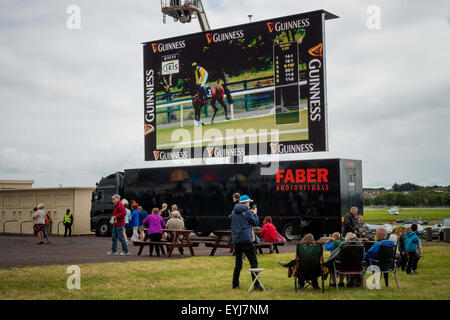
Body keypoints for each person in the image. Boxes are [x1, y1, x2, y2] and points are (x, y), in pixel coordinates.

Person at [231, 195, 262, 290]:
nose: (249, 204)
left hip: (237, 240)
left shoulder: (233, 211)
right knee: (254, 262)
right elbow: (256, 222)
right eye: (249, 203)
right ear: (246, 202)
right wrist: (255, 213)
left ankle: (235, 285)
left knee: (238, 264)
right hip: (246, 240)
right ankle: (256, 285)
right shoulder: (247, 211)